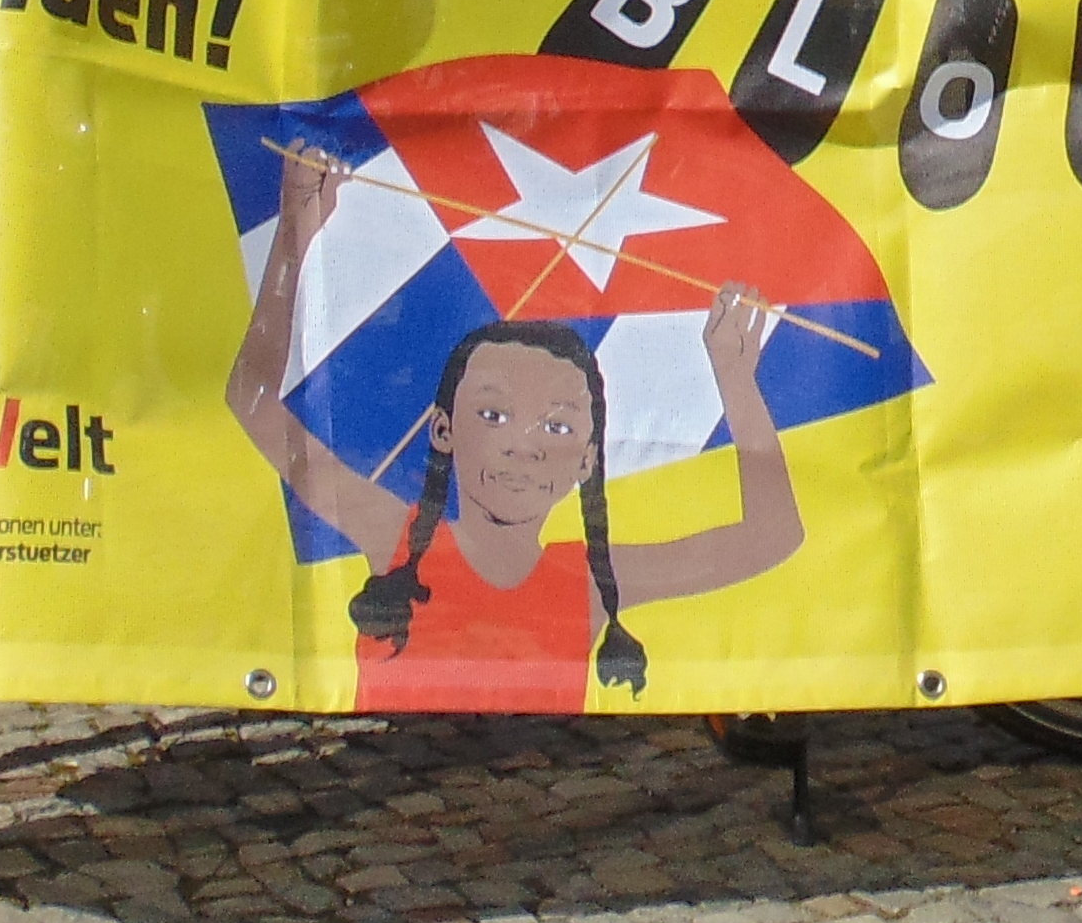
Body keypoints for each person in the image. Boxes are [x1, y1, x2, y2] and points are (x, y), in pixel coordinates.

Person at [222, 149, 802, 710]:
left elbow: (771, 538)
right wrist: (294, 237)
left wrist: (735, 376)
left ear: (587, 458)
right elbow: (252, 403)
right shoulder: (397, 543)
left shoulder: (590, 581)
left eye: (556, 425)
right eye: (494, 415)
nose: (523, 445)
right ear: (444, 430)